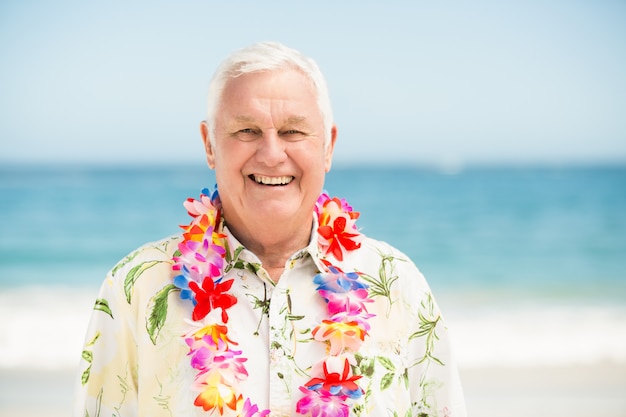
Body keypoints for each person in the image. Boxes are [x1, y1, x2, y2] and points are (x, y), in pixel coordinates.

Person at [74, 41, 466, 417]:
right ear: (210, 144)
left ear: (328, 146)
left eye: (294, 131)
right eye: (246, 131)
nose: (272, 154)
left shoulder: (396, 282)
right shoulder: (136, 286)